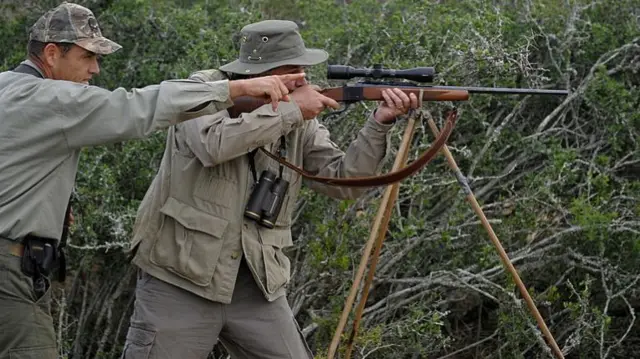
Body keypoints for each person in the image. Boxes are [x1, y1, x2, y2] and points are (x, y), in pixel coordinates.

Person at [0, 3, 303, 358]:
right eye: (87, 56)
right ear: (52, 53)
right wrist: (232, 91)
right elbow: (135, 108)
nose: (94, 69)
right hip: (10, 273)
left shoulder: (9, 89)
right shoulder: (46, 98)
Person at [123, 19, 419, 358]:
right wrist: (291, 111)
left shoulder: (297, 115)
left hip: (256, 284)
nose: (303, 79)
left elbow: (343, 181)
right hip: (179, 279)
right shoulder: (203, 90)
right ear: (260, 72)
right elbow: (212, 145)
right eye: (292, 70)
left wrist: (379, 123)